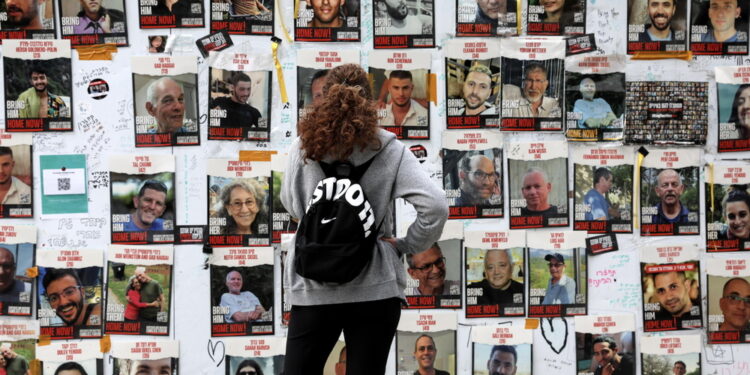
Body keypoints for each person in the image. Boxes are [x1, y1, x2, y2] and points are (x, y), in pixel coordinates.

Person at [281, 64, 448, 375]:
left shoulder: (303, 146)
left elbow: (291, 204)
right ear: (371, 103)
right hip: (375, 288)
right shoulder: (390, 149)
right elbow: (436, 206)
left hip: (313, 284)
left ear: (325, 98)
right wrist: (406, 245)